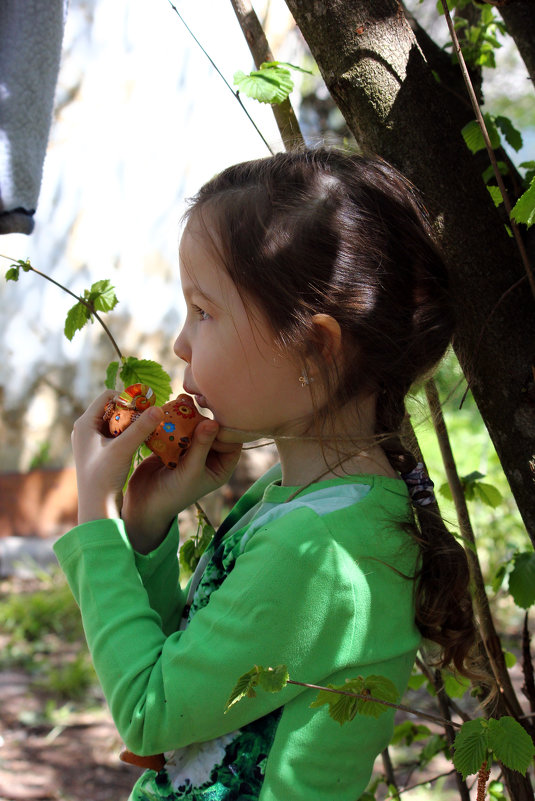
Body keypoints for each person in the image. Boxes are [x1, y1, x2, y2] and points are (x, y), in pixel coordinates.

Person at [54, 148, 479, 801]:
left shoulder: (318, 549)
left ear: (313, 348)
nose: (179, 345)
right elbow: (185, 681)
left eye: (203, 310)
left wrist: (95, 511)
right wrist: (143, 525)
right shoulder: (301, 502)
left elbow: (146, 710)